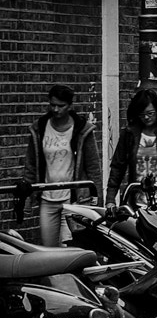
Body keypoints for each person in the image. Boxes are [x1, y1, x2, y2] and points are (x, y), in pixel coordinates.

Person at [22, 84, 101, 245]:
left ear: (70, 106)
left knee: (68, 246)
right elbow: (31, 165)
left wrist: (97, 196)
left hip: (73, 200)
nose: (56, 110)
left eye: (61, 106)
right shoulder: (40, 128)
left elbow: (93, 167)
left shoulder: (81, 130)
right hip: (47, 198)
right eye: (52, 105)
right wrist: (27, 197)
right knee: (48, 250)